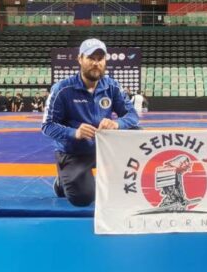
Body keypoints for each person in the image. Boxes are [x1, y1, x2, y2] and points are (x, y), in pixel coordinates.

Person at [42, 38, 139, 207]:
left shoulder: (112, 87)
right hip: (74, 152)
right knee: (83, 198)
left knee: (137, 131)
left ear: (105, 61)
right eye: (91, 58)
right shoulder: (62, 89)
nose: (96, 63)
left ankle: (117, 173)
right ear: (80, 59)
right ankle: (62, 182)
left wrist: (117, 124)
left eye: (100, 59)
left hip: (103, 149)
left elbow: (132, 115)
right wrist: (74, 133)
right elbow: (47, 126)